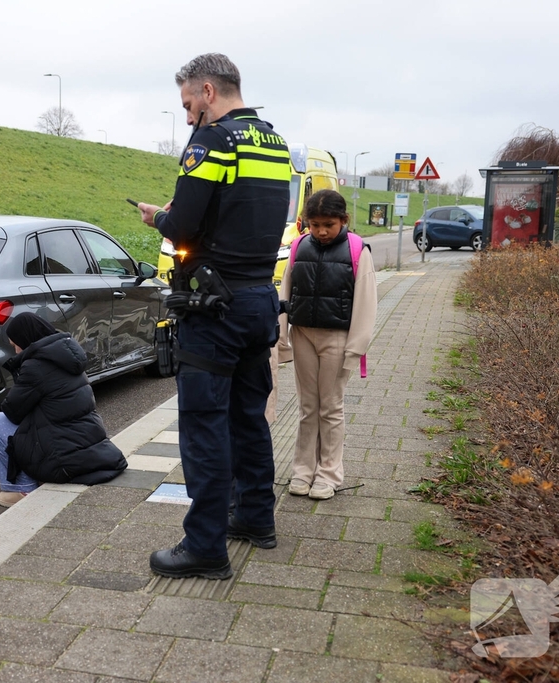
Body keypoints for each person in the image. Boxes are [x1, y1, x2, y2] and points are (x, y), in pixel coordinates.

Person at [136, 54, 291, 580]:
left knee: (204, 425)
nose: (186, 118)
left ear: (207, 90)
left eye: (187, 105)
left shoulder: (212, 141)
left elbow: (183, 227)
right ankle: (254, 519)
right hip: (257, 302)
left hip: (214, 307)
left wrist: (159, 216)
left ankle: (204, 547)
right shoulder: (275, 142)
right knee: (250, 418)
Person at [280, 189, 377, 500]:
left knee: (331, 407)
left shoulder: (358, 251)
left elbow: (366, 303)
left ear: (343, 220)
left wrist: (355, 349)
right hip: (303, 334)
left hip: (338, 337)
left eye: (328, 224)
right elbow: (285, 293)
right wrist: (282, 338)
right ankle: (302, 471)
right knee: (308, 407)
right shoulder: (298, 247)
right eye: (314, 224)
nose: (321, 231)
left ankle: (329, 474)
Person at [0, 312, 128, 507]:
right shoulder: (68, 357)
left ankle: (21, 490)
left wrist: (18, 370)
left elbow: (12, 410)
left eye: (15, 344)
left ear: (25, 340)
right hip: (91, 448)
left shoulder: (35, 366)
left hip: (63, 460)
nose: (16, 351)